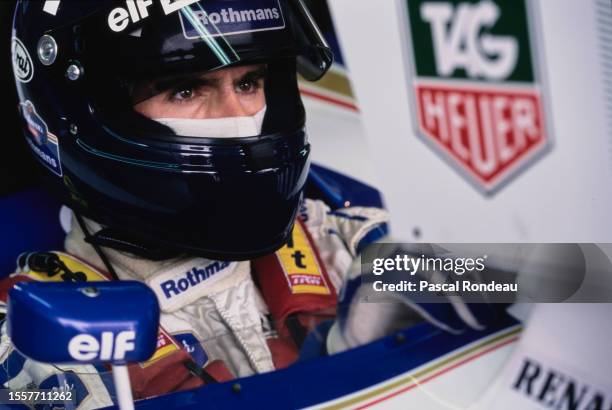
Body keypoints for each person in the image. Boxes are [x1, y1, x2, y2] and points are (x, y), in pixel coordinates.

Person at [0, 1, 389, 407]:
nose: (239, 120)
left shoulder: (335, 241)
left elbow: (455, 273)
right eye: (185, 90)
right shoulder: (32, 344)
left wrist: (448, 282)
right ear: (84, 113)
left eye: (249, 82)